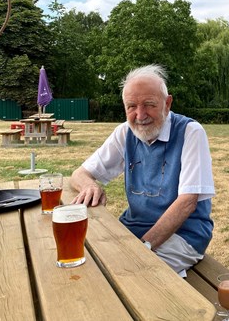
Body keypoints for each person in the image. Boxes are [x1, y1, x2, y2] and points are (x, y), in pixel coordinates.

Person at [70, 64, 214, 278]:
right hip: (133, 227)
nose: (140, 115)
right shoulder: (125, 133)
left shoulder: (190, 132)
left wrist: (143, 248)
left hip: (184, 234)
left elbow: (187, 202)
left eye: (149, 104)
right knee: (89, 260)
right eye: (131, 106)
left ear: (167, 103)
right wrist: (91, 185)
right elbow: (79, 174)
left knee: (135, 277)